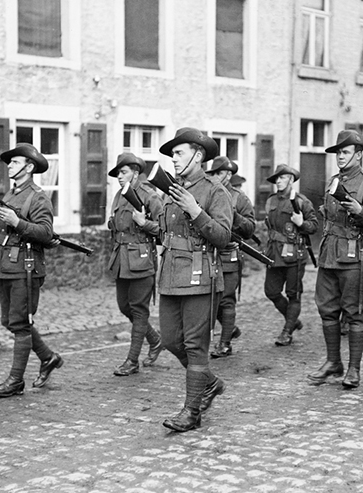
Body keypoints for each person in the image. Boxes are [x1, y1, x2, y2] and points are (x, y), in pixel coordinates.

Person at [155, 128, 232, 432]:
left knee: (195, 345)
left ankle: (192, 412)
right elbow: (166, 231)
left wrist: (196, 211)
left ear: (198, 156)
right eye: (173, 154)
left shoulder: (215, 191)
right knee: (170, 340)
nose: (174, 159)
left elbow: (223, 237)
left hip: (201, 274)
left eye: (179, 153)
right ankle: (209, 383)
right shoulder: (173, 190)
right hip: (171, 274)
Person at [307, 129, 363, 388]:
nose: (340, 157)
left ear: (358, 155)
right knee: (327, 310)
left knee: (355, 313)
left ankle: (353, 369)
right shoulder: (333, 181)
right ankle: (333, 362)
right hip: (330, 255)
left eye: (345, 152)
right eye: (338, 153)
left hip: (356, 257)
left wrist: (361, 211)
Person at [0, 143, 64, 398]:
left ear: (29, 167)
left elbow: (46, 232)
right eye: (10, 162)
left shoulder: (38, 196)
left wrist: (17, 222)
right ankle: (48, 357)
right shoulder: (10, 194)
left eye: (15, 162)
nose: (10, 166)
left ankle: (15, 381)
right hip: (5, 265)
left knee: (20, 324)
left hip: (25, 266)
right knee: (8, 320)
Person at [107, 152, 164, 376]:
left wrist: (144, 222)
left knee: (139, 311)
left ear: (136, 172)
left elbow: (165, 229)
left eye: (123, 172)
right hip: (122, 259)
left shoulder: (149, 195)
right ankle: (155, 340)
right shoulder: (120, 195)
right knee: (124, 306)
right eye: (118, 174)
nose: (119, 177)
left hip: (141, 259)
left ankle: (132, 361)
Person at [262, 164, 318, 347]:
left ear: (291, 180)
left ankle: (287, 331)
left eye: (282, 177)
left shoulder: (301, 202)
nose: (278, 181)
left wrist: (302, 223)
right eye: (276, 178)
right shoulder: (271, 201)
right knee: (271, 291)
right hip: (274, 253)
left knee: (293, 294)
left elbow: (314, 226)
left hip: (295, 254)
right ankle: (292, 320)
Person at [206, 156, 256, 358]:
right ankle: (230, 328)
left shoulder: (239, 198)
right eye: (213, 173)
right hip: (208, 255)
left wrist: (235, 216)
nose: (215, 177)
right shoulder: (207, 194)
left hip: (228, 256)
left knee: (226, 299)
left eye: (219, 173)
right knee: (210, 299)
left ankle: (225, 344)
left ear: (228, 175)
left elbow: (250, 229)